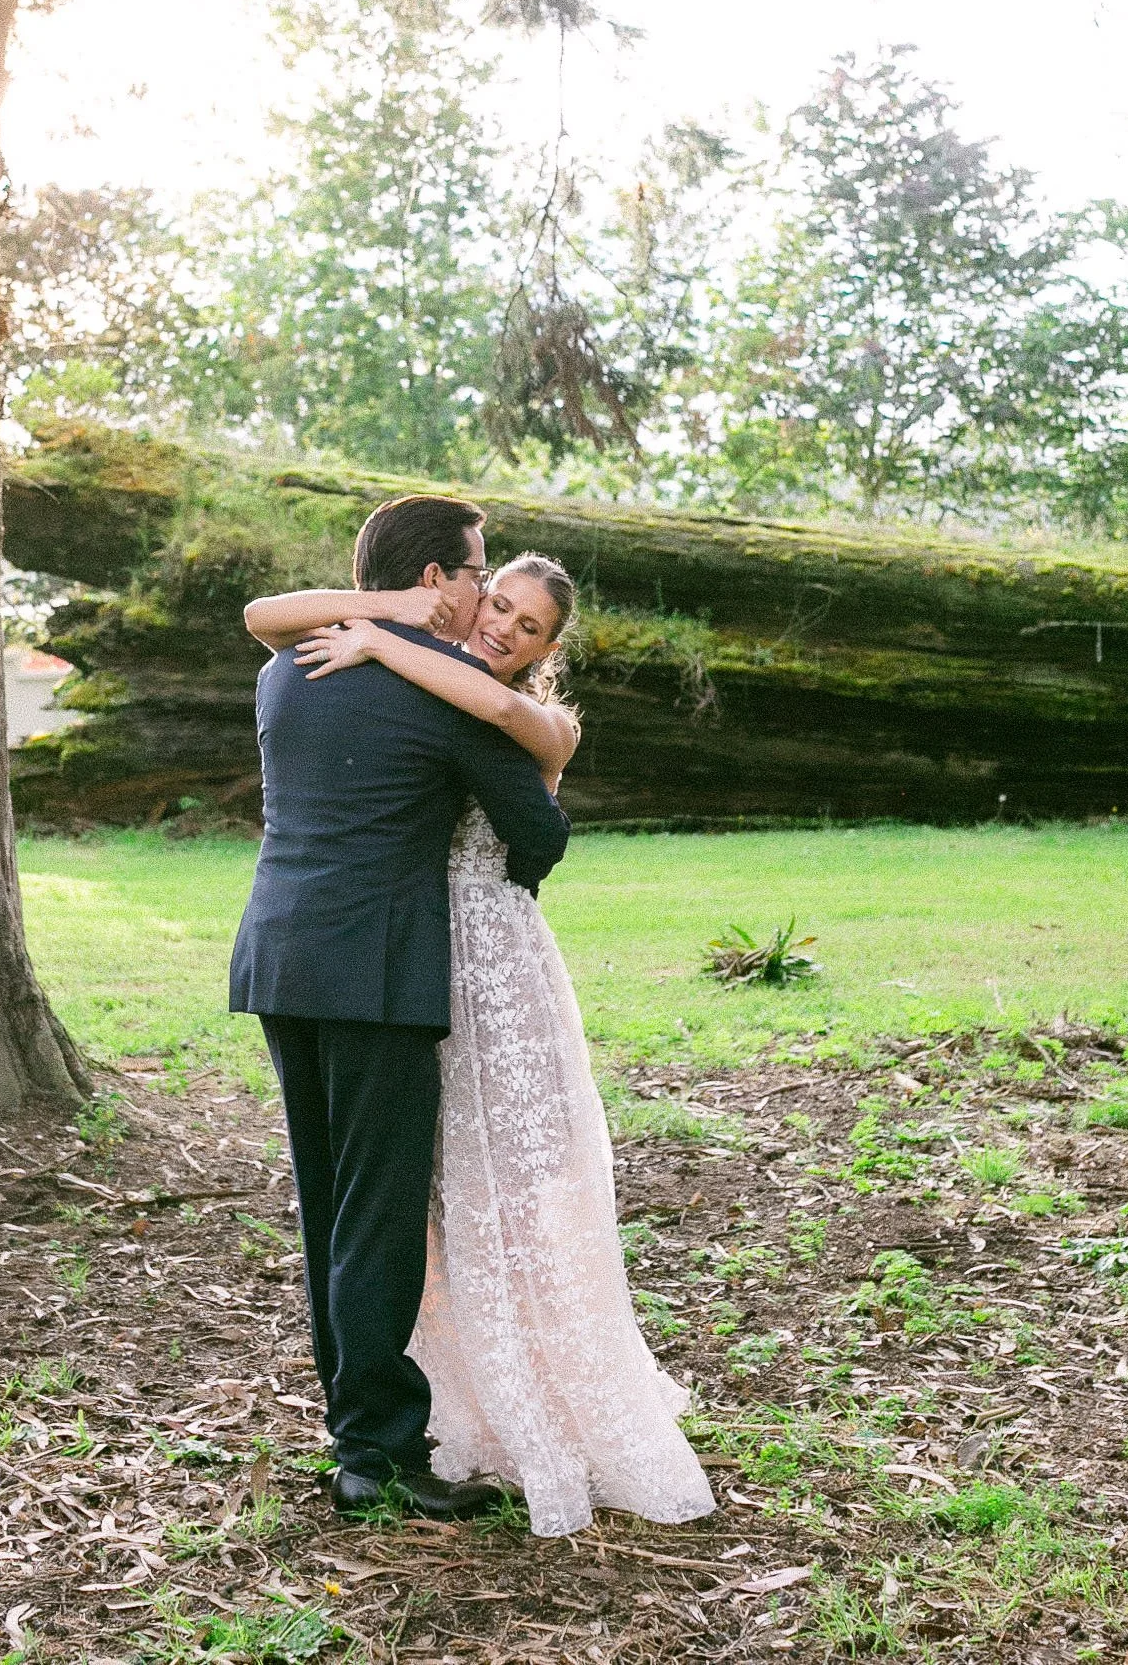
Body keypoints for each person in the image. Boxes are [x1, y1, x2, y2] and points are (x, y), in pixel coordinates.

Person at [288, 554, 716, 1537]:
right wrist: (382, 632)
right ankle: (449, 1394)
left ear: (546, 649)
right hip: (409, 960)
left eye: (528, 628)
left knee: (515, 1190)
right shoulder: (425, 676)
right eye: (500, 606)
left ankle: (548, 1389)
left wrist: (380, 638)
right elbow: (273, 622)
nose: (504, 630)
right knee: (427, 1193)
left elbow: (490, 715)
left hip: (492, 960)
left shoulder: (535, 719)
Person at [231, 495, 571, 1522]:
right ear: (435, 578)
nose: (479, 595)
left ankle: (351, 1428)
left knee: (327, 1201)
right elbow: (535, 838)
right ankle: (375, 1452)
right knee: (376, 1218)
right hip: (377, 975)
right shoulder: (448, 690)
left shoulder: (284, 671)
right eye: (472, 573)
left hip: (279, 956)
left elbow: (270, 624)